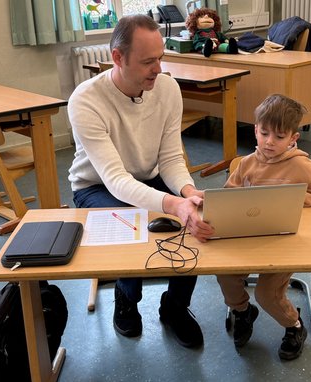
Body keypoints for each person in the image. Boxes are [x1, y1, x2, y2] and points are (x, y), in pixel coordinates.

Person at [68, 15, 214, 348]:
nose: (158, 69)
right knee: (131, 226)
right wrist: (173, 203)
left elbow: (171, 160)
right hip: (96, 187)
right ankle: (126, 299)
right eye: (148, 61)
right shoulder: (86, 100)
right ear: (118, 58)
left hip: (149, 177)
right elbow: (117, 181)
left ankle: (175, 308)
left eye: (161, 58)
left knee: (194, 221)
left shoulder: (167, 88)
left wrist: (188, 193)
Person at [215, 94, 311, 360]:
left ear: (294, 138)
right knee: (223, 273)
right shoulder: (246, 164)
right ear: (255, 129)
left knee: (266, 293)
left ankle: (294, 325)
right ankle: (242, 312)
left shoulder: (301, 165)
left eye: (280, 136)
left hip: (285, 242)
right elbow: (228, 197)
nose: (269, 141)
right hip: (249, 238)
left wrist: (296, 202)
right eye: (264, 132)